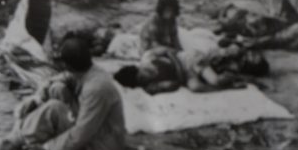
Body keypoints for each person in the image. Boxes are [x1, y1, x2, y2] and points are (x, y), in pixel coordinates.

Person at [24, 35, 126, 150]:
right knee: (56, 89)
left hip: (103, 146)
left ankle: (25, 141)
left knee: (52, 108)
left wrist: (47, 148)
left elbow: (82, 132)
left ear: (67, 65)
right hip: (96, 129)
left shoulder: (97, 87)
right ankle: (26, 138)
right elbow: (60, 78)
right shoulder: (88, 71)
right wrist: (38, 99)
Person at [114, 43, 269, 94]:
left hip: (188, 60)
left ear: (137, 67)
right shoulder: (149, 86)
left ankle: (244, 77)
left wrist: (175, 64)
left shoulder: (148, 57)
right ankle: (229, 86)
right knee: (195, 87)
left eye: (142, 73)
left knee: (214, 79)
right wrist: (160, 86)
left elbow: (169, 50)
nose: (146, 75)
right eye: (142, 80)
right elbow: (174, 84)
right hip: (187, 75)